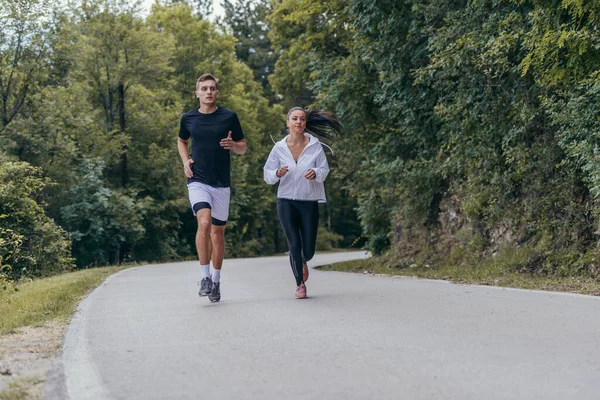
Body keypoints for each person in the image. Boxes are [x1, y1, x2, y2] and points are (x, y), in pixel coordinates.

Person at [177, 73, 247, 303]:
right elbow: (182, 140)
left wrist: (233, 145)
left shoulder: (229, 117)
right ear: (197, 93)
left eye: (212, 88)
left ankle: (216, 281)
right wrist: (186, 161)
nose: (208, 92)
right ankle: (204, 278)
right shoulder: (188, 118)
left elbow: (243, 147)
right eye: (204, 88)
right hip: (197, 179)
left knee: (217, 234)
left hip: (221, 183)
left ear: (217, 92)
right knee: (204, 223)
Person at [263, 107, 342, 299]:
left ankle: (303, 260)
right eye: (295, 119)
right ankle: (300, 284)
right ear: (287, 122)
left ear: (305, 123)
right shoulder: (279, 148)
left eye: (302, 119)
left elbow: (324, 170)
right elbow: (267, 175)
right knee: (294, 244)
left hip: (308, 201)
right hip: (286, 201)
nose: (299, 122)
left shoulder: (315, 146)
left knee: (308, 250)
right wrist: (277, 173)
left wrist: (316, 173)